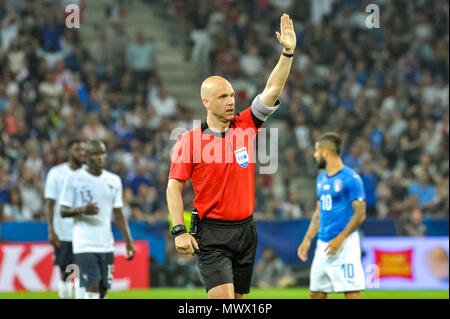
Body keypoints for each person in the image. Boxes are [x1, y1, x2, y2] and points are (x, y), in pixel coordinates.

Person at [166, 13, 296, 299]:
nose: (230, 101)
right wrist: (179, 231)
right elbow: (174, 186)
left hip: (246, 231)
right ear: (206, 102)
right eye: (223, 97)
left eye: (231, 95)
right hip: (211, 234)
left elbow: (272, 89)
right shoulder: (190, 140)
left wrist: (287, 53)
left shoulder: (246, 124)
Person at [60, 140, 135, 299]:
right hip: (84, 244)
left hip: (106, 244)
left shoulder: (113, 180)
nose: (100, 157)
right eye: (95, 154)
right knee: (91, 288)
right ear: (85, 157)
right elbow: (63, 210)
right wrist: (81, 210)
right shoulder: (74, 179)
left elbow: (119, 213)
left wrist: (128, 241)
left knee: (102, 291)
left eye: (102, 153)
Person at [297, 132, 367, 299]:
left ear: (325, 152)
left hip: (345, 245)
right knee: (316, 293)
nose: (315, 155)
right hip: (323, 244)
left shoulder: (351, 178)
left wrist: (341, 238)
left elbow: (361, 213)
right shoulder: (321, 179)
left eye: (316, 151)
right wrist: (307, 239)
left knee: (351, 292)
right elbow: (318, 212)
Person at [44, 139, 85, 299]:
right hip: (63, 231)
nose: (81, 153)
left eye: (83, 150)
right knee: (65, 271)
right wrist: (51, 230)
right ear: (69, 152)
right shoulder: (56, 173)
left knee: (83, 271)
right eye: (77, 150)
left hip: (83, 231)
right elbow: (50, 203)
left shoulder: (88, 173)